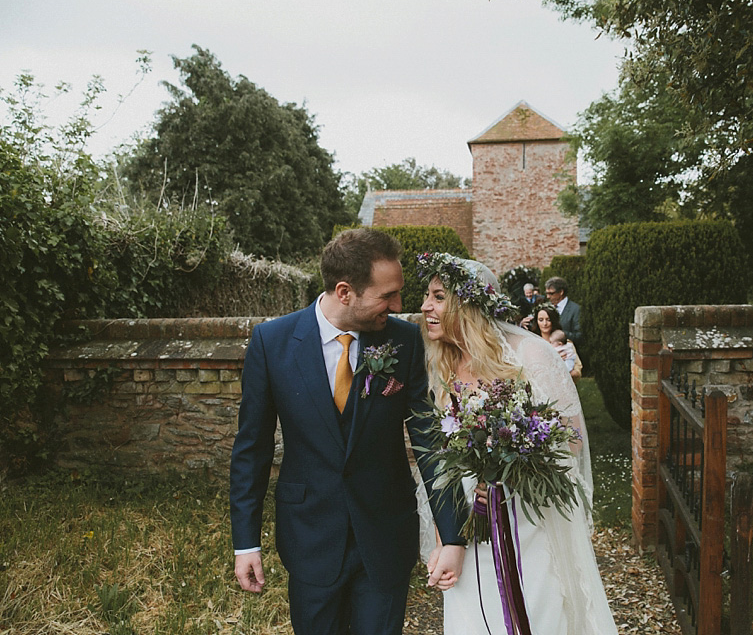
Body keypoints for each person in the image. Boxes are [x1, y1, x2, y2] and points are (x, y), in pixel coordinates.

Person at [230, 228, 467, 635]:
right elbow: (252, 449)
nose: (398, 305)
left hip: (385, 536)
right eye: (387, 295)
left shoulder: (404, 340)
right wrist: (246, 542)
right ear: (345, 292)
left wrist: (454, 537)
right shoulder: (272, 342)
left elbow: (429, 442)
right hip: (309, 536)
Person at [418, 253, 617, 635]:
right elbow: (440, 464)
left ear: (468, 303)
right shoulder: (441, 364)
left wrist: (515, 456)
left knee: (538, 613)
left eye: (438, 296)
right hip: (466, 524)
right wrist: (446, 538)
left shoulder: (529, 355)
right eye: (427, 295)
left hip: (527, 520)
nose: (426, 305)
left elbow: (572, 440)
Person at [545, 276, 582, 345]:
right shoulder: (546, 307)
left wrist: (560, 333)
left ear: (561, 292)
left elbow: (578, 336)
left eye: (551, 293)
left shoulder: (575, 309)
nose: (548, 297)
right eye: (547, 293)